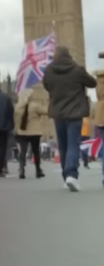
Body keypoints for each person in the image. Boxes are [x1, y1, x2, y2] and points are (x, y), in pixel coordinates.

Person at [43, 46, 96, 192]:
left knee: (63, 146)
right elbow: (93, 83)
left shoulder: (49, 70)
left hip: (58, 113)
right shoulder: (77, 69)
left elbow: (47, 86)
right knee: (73, 144)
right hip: (75, 113)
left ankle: (66, 177)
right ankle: (72, 174)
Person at [13, 89, 46, 179]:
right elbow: (46, 111)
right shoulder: (35, 106)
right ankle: (38, 170)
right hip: (34, 133)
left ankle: (22, 170)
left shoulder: (17, 107)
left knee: (22, 152)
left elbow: (15, 121)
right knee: (36, 151)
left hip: (22, 133)